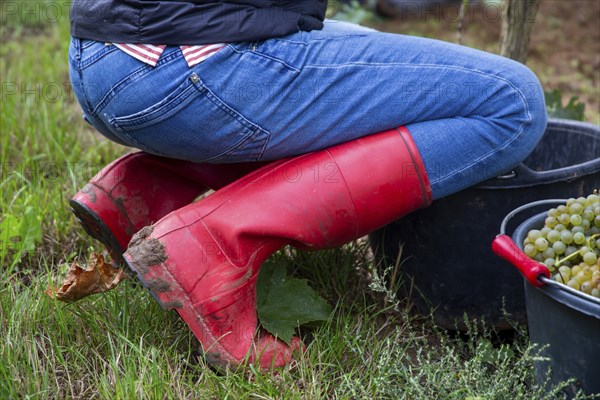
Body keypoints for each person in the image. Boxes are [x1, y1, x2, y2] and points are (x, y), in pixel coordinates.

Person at [68, 0, 548, 370]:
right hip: (188, 68)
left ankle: (156, 186)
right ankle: (219, 243)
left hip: (103, 56)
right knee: (512, 103)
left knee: (366, 50)